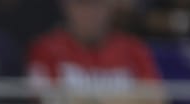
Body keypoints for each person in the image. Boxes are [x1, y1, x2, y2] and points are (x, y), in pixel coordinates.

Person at [29, 0, 162, 95]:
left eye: (97, 3)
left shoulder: (134, 50)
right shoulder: (46, 49)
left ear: (111, 6)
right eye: (81, 4)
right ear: (66, 5)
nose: (89, 13)